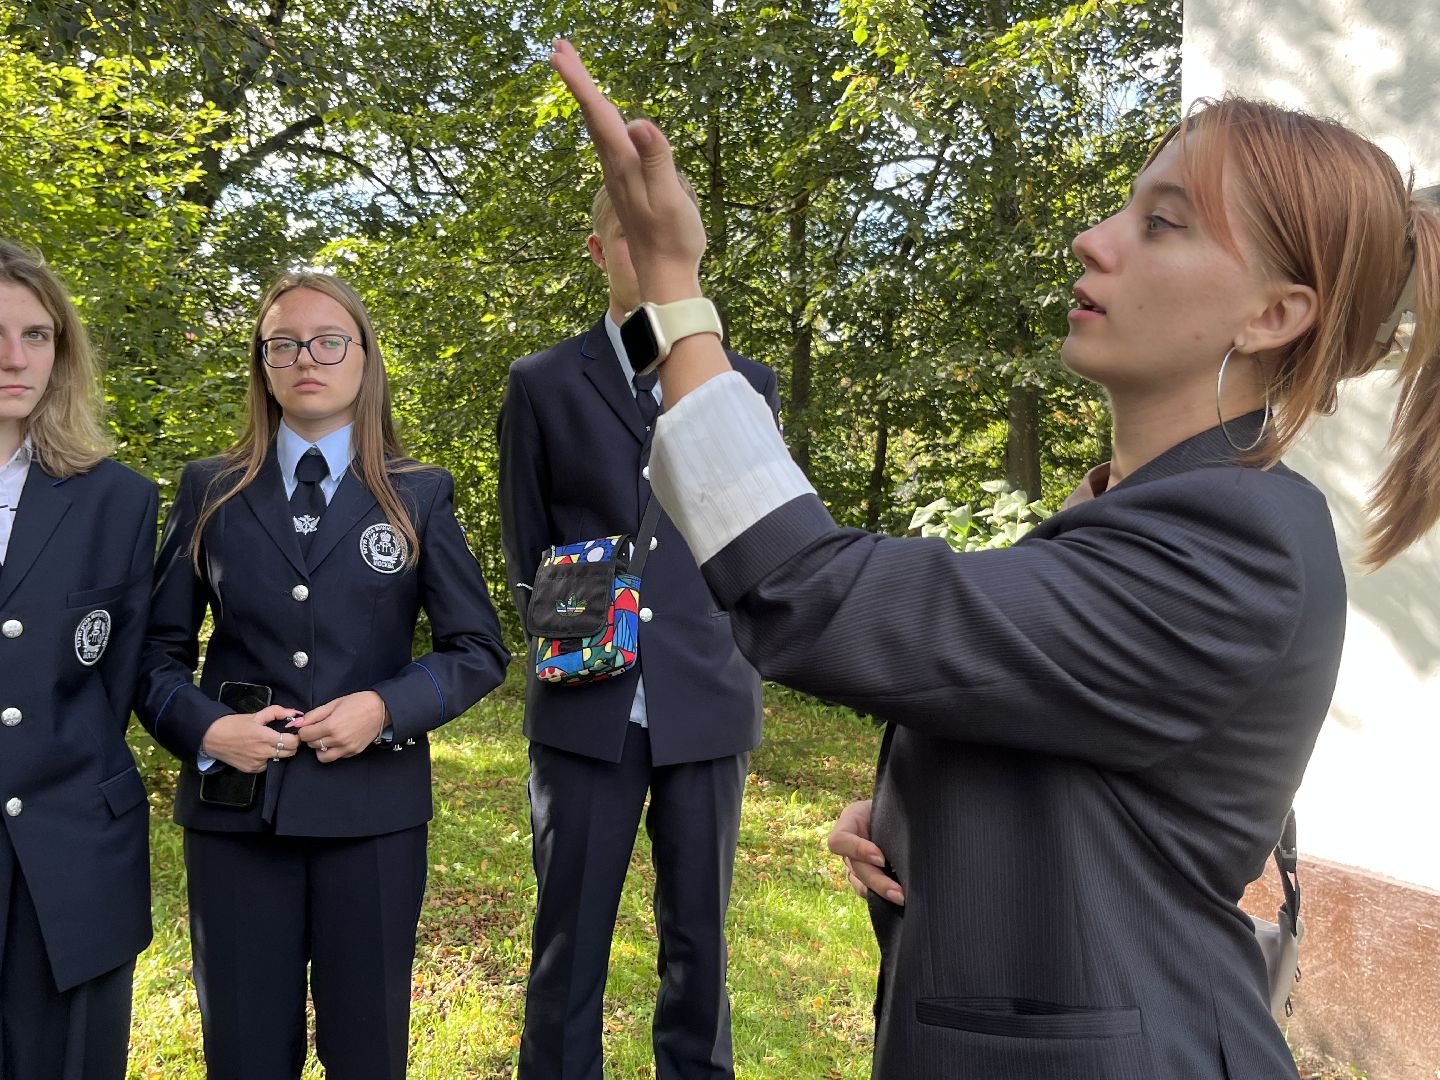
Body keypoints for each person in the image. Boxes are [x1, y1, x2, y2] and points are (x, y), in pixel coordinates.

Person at [549, 41, 1440, 1079]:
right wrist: (924, 814)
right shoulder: (1144, 514)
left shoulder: (1236, 543)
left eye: (1162, 222)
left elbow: (809, 590)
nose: (1092, 239)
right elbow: (1089, 772)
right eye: (1124, 207)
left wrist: (672, 292)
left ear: (1274, 314)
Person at [136, 272, 510, 1080]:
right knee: (243, 1051)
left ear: (365, 358)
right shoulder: (212, 490)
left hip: (372, 815)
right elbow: (154, 652)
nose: (307, 358)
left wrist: (385, 707)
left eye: (329, 341)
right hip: (237, 819)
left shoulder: (416, 493)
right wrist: (206, 729)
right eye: (284, 344)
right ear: (263, 366)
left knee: (368, 1049)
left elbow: (478, 648)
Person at [497, 179, 780, 1078]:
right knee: (569, 939)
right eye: (627, 235)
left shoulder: (745, 384)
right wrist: (576, 638)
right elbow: (525, 544)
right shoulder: (543, 383)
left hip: (706, 697)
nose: (645, 249)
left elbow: (759, 540)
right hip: (587, 703)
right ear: (597, 251)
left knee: (699, 940)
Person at [0, 239, 157, 1078]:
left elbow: (118, 677)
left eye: (36, 335)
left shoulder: (117, 499)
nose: (14, 358)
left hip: (71, 853)